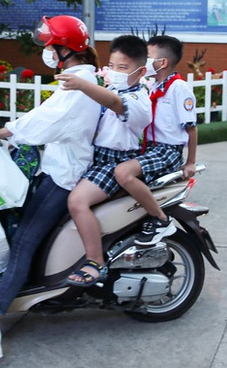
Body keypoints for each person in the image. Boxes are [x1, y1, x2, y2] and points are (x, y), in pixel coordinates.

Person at [0, 15, 102, 360]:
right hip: (56, 169)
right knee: (20, 233)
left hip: (64, 178)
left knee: (23, 245)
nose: (45, 51)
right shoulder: (75, 79)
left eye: (49, 45)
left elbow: (42, 124)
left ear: (65, 49)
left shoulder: (78, 85)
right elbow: (42, 117)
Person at [58, 35, 151, 286]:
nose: (115, 72)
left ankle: (95, 261)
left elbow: (114, 104)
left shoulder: (139, 100)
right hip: (94, 157)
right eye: (111, 66)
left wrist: (81, 84)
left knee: (76, 202)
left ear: (141, 71)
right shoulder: (112, 88)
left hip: (114, 161)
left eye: (123, 68)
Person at [114, 35, 198, 245]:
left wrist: (190, 162)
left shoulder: (179, 88)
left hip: (167, 150)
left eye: (148, 56)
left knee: (123, 173)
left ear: (163, 62)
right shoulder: (154, 86)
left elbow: (192, 128)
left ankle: (161, 219)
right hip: (149, 148)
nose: (144, 61)